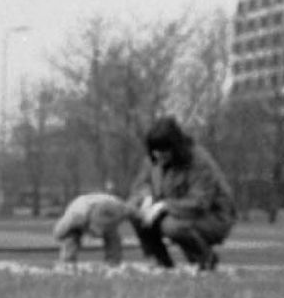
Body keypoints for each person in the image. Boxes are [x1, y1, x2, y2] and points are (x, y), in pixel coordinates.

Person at [127, 116, 235, 271]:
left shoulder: (199, 161)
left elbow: (200, 202)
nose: (159, 156)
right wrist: (145, 199)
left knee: (171, 226)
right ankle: (161, 263)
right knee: (137, 214)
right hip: (174, 213)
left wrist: (163, 206)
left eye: (164, 152)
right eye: (155, 151)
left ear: (175, 148)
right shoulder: (154, 160)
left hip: (212, 217)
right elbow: (139, 187)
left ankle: (204, 260)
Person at [53, 192, 132, 266]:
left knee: (112, 236)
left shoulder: (121, 210)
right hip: (83, 214)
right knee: (72, 236)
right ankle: (67, 262)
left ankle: (113, 262)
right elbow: (58, 233)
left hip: (111, 206)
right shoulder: (76, 215)